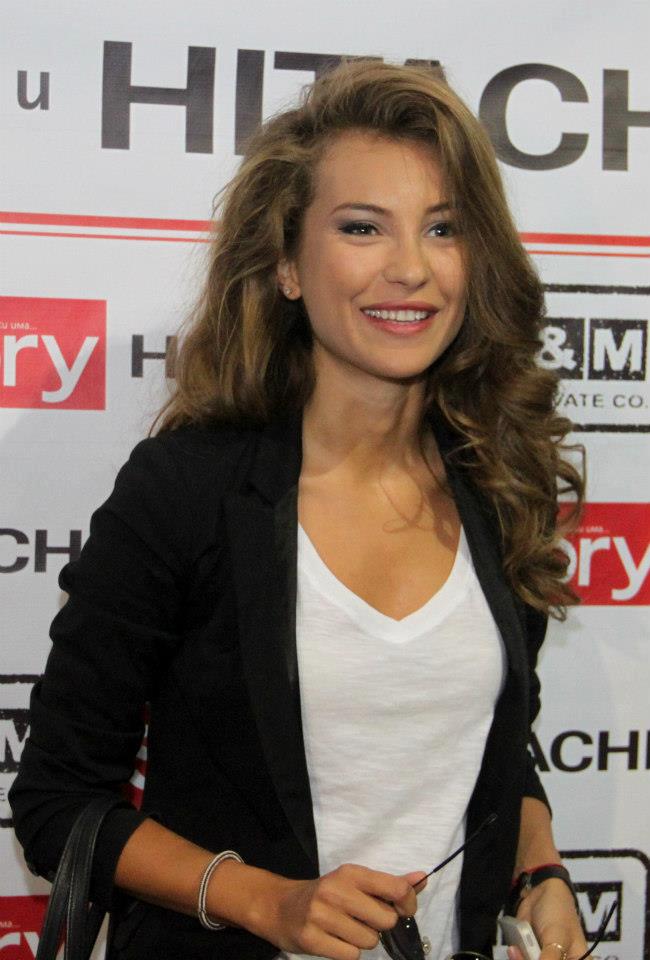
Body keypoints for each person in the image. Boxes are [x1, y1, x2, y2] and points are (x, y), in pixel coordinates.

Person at [11, 60, 586, 960]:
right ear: (285, 263)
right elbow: (57, 800)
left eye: (443, 228)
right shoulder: (186, 490)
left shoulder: (499, 482)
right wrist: (267, 902)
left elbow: (499, 753)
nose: (410, 268)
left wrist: (539, 872)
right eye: (362, 227)